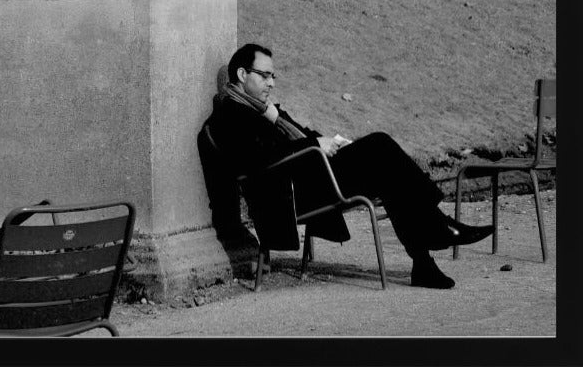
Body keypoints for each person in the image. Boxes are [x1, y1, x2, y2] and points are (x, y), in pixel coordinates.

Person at [207, 43, 494, 289]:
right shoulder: (230, 115)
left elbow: (302, 136)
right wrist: (314, 145)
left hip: (313, 177)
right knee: (380, 147)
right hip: (292, 195)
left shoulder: (266, 111)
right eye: (265, 76)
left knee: (388, 173)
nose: (272, 83)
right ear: (242, 75)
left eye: (273, 76)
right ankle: (437, 227)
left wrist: (326, 142)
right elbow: (257, 162)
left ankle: (424, 262)